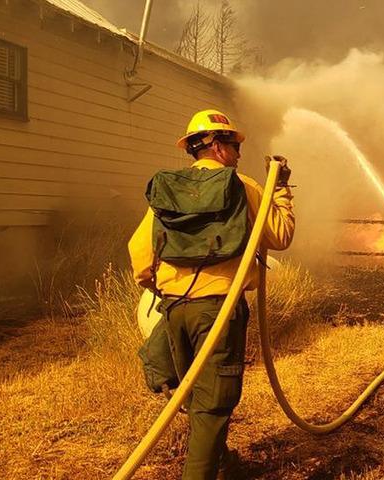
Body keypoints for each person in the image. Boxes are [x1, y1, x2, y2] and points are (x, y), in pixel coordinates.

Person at [128, 109, 295, 480]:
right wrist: (281, 190)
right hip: (218, 311)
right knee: (213, 405)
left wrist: (161, 287)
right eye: (234, 145)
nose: (238, 153)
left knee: (194, 396)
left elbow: (139, 252)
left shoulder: (170, 190)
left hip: (174, 309)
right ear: (218, 147)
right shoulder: (243, 186)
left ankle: (220, 463)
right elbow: (280, 236)